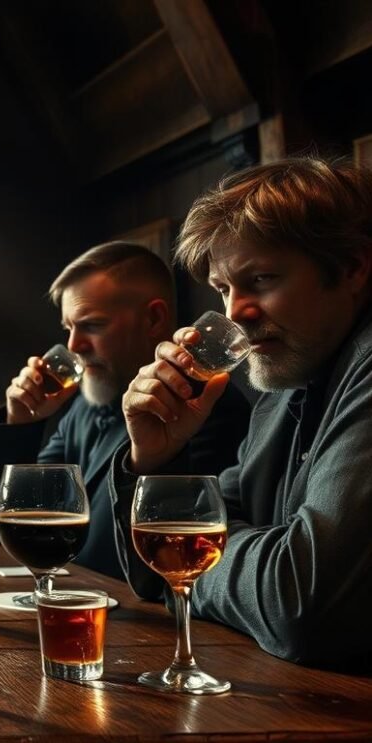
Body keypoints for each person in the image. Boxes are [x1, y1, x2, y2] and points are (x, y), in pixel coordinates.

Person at [111, 158, 372, 668]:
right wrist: (157, 458)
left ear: (353, 267)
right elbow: (152, 574)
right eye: (224, 289)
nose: (235, 314)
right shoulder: (284, 384)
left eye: (263, 279)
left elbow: (296, 601)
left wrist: (195, 557)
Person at [0, 241, 250, 579]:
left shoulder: (203, 408)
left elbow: (150, 568)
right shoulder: (83, 409)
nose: (74, 346)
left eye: (91, 325)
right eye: (68, 328)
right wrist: (17, 425)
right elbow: (2, 523)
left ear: (154, 318)